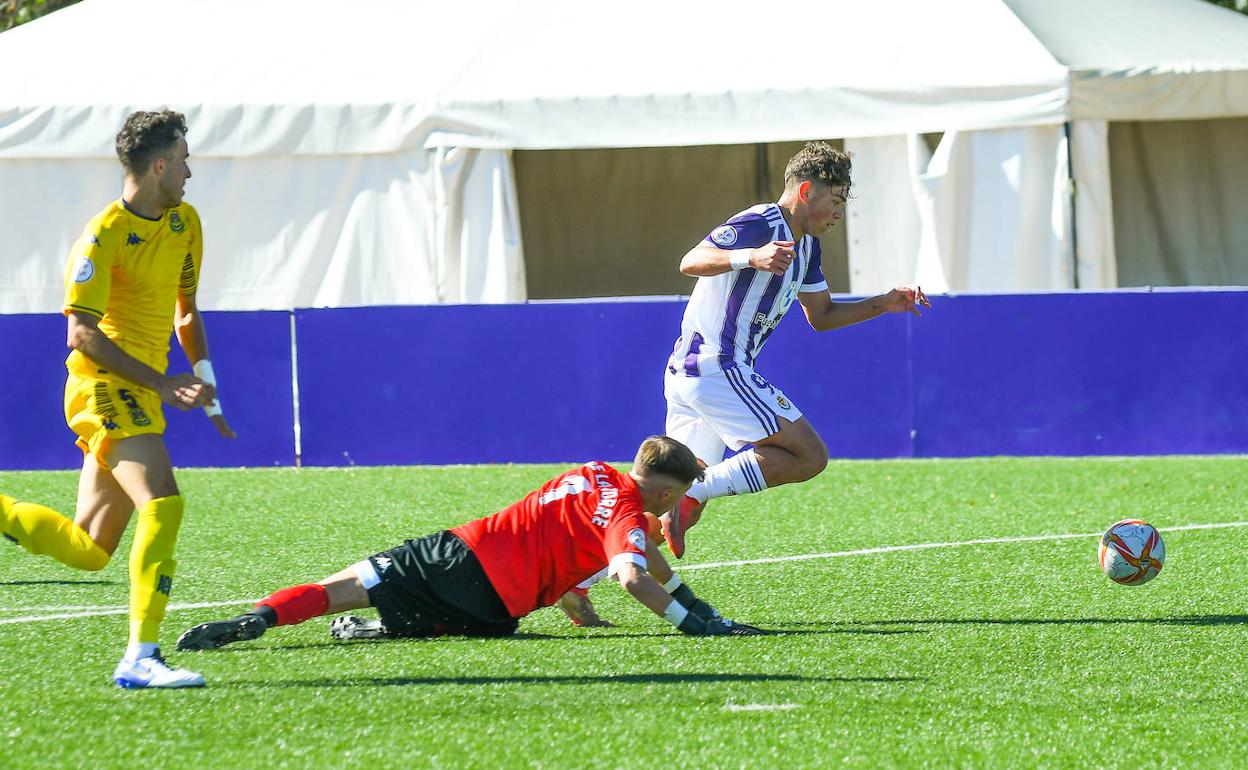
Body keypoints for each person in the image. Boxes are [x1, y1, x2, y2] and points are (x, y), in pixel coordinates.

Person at [0, 110, 235, 689]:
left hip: (142, 389)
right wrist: (161, 383)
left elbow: (185, 309)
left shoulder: (186, 223)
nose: (190, 171)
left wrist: (205, 385)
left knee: (88, 550)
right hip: (101, 385)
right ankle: (140, 658)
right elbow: (80, 333)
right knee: (164, 503)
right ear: (159, 165)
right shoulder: (102, 235)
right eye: (183, 158)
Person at [176, 436, 762, 652]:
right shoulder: (631, 516)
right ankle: (382, 627)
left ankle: (260, 618)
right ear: (665, 496)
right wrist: (693, 621)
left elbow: (628, 554)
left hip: (465, 552)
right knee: (480, 625)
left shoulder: (593, 473)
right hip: (498, 607)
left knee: (343, 589)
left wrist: (681, 590)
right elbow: (632, 572)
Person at [659, 141, 931, 557]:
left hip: (695, 376)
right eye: (835, 199)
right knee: (808, 456)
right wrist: (751, 256)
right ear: (805, 192)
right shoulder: (762, 222)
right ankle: (693, 492)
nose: (840, 212)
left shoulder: (807, 247)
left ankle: (580, 577)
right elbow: (690, 260)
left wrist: (883, 303)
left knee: (663, 498)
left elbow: (820, 315)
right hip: (716, 367)